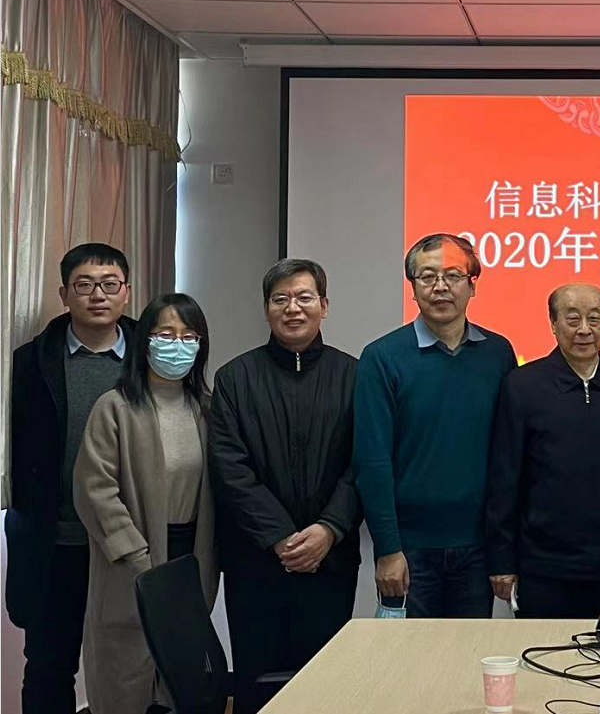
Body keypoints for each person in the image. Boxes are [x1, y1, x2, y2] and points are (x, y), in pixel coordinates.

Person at [208, 259, 362, 714]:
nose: (293, 308)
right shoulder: (234, 379)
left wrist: (329, 529)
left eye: (304, 297)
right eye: (281, 299)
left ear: (324, 305)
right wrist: (280, 537)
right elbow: (230, 470)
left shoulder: (355, 376)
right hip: (256, 562)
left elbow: (363, 464)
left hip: (330, 560)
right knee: (258, 684)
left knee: (326, 681)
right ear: (266, 309)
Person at [354, 233, 517, 617]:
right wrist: (388, 548)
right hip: (410, 549)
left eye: (453, 276)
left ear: (472, 286)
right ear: (412, 288)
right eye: (427, 276)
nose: (440, 286)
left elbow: (509, 456)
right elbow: (372, 461)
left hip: (478, 546)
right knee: (412, 653)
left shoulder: (498, 353)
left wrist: (503, 549)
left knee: (470, 650)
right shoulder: (381, 358)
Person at [6, 243, 136, 713]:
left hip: (130, 544)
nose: (97, 295)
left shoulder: (151, 357)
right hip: (56, 541)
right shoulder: (29, 361)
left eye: (109, 285)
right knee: (48, 665)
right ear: (64, 294)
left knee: (133, 664)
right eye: (84, 285)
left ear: (126, 292)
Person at [72, 293, 217, 714]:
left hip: (190, 556)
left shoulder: (207, 409)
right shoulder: (114, 407)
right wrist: (135, 554)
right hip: (131, 557)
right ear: (145, 342)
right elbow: (94, 489)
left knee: (183, 676)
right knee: (126, 675)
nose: (178, 345)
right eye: (165, 335)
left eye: (189, 336)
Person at [486, 284, 600, 618]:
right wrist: (502, 560)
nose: (584, 329)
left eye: (594, 319)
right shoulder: (522, 386)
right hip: (540, 565)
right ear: (553, 324)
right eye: (573, 319)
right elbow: (504, 478)